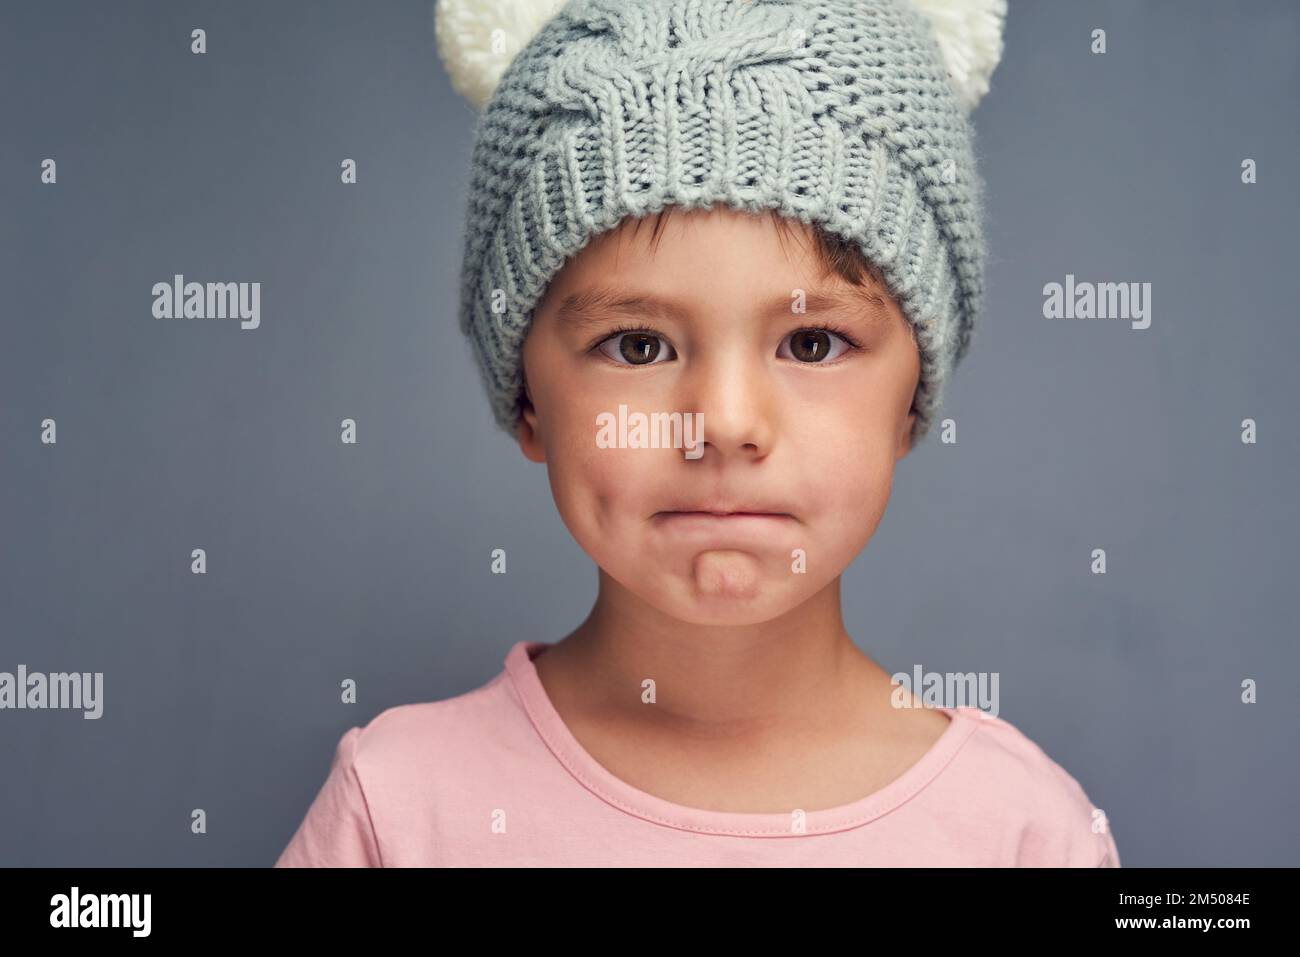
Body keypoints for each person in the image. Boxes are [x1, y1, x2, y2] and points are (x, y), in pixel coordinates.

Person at [276, 0, 1120, 867]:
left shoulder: (1024, 833)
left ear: (910, 402)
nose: (722, 424)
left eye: (812, 343)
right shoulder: (399, 808)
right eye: (638, 345)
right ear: (529, 401)